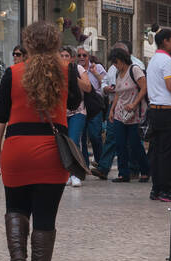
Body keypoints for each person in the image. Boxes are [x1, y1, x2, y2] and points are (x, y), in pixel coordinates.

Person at [0, 20, 82, 261]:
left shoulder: (13, 72)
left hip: (17, 150)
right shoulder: (67, 71)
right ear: (55, 43)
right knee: (45, 217)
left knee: (15, 208)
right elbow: (75, 103)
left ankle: (17, 258)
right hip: (51, 152)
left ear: (27, 43)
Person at [99, 47, 148, 182]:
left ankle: (144, 170)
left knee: (134, 143)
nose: (115, 65)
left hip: (134, 113)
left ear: (122, 60)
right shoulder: (117, 74)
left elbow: (144, 88)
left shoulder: (134, 70)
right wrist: (112, 110)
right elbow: (118, 94)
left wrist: (134, 104)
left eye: (116, 62)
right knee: (120, 143)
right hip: (120, 113)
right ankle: (123, 173)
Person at [146, 28, 171, 202]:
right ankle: (167, 190)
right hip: (168, 111)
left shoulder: (153, 60)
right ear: (165, 41)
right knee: (168, 152)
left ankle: (156, 188)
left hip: (155, 110)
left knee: (157, 151)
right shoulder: (167, 61)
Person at [59, 48, 92, 188]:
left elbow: (88, 88)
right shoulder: (55, 70)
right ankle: (66, 174)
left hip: (77, 111)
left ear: (72, 58)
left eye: (67, 56)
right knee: (62, 144)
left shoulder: (77, 68)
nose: (65, 58)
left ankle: (75, 174)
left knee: (73, 140)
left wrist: (72, 76)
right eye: (62, 56)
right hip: (60, 112)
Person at [76, 48, 107, 169]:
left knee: (95, 136)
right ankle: (85, 165)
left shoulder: (97, 68)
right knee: (82, 137)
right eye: (79, 55)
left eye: (84, 55)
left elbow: (106, 83)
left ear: (89, 57)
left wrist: (95, 73)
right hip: (80, 106)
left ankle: (101, 164)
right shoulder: (74, 69)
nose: (82, 57)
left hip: (94, 106)